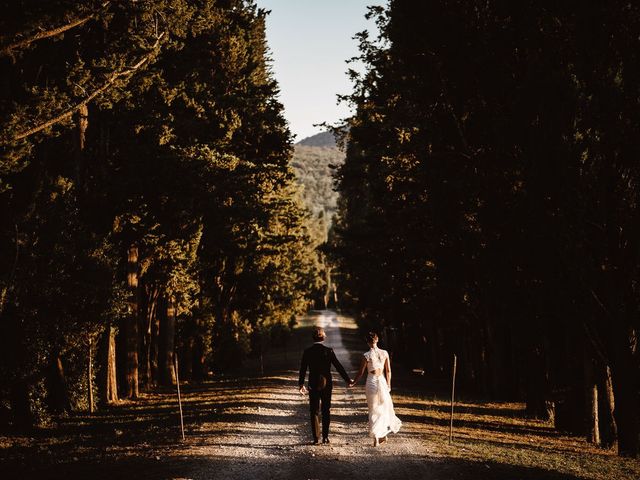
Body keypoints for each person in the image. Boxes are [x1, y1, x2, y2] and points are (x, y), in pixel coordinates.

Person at [298, 326, 352, 445]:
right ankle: (325, 437)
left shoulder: (307, 352)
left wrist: (301, 384)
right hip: (326, 384)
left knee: (314, 411)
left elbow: (302, 369)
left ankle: (316, 438)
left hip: (313, 383)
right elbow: (338, 366)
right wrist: (348, 380)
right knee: (326, 410)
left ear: (313, 338)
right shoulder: (329, 351)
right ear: (323, 338)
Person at [350, 331, 402, 446]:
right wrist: (354, 382)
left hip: (379, 381)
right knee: (377, 408)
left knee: (379, 408)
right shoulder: (370, 355)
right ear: (374, 341)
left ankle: (380, 436)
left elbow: (386, 370)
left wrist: (388, 384)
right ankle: (378, 436)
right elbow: (362, 372)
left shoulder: (378, 354)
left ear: (371, 341)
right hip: (376, 381)